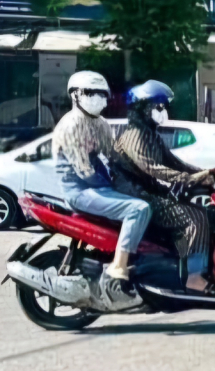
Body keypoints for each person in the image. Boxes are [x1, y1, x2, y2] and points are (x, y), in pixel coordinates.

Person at [113, 81, 215, 292]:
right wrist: (191, 179)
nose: (164, 112)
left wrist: (207, 173)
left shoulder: (150, 133)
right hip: (140, 196)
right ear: (144, 108)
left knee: (204, 211)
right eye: (159, 107)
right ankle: (194, 278)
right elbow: (154, 169)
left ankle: (183, 265)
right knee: (195, 219)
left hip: (148, 192)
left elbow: (174, 162)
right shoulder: (135, 135)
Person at [50, 71, 150, 284]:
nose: (98, 99)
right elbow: (84, 172)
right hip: (80, 191)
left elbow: (114, 156)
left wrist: (141, 174)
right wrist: (115, 186)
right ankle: (119, 265)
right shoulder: (71, 125)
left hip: (98, 187)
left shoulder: (100, 124)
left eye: (103, 94)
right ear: (75, 96)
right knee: (138, 209)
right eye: (90, 93)